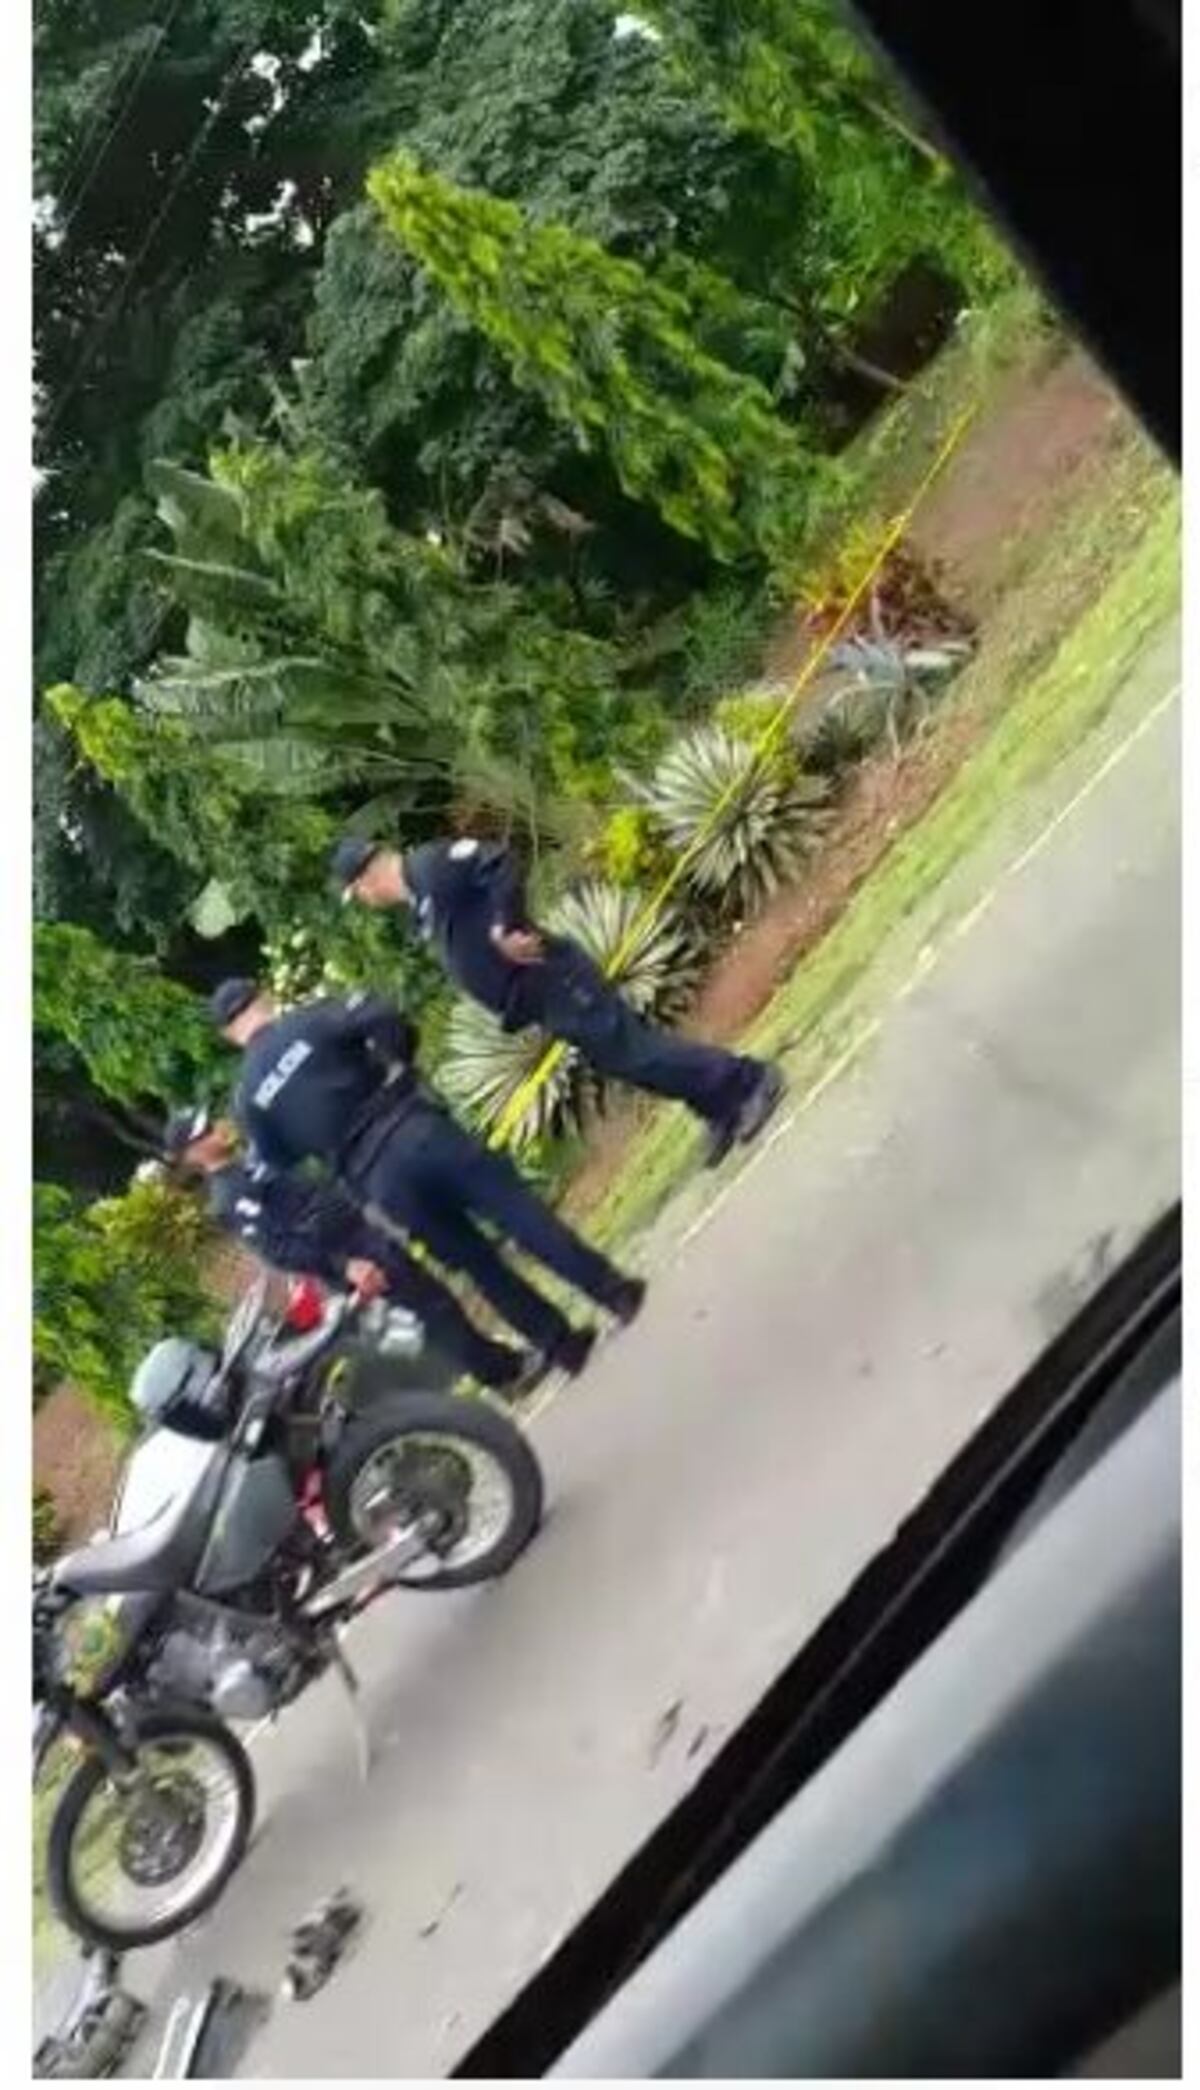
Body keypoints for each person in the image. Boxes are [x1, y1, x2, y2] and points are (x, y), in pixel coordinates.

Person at [209, 979, 645, 1376]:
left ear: (229, 1035)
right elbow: (381, 1013)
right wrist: (395, 1059)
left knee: (476, 1263)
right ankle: (615, 1294)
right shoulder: (306, 1021)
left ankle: (563, 1347)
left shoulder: (248, 1101)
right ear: (263, 998)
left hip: (377, 1178)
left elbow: (277, 1159)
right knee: (519, 1213)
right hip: (413, 1124)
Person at [331, 833, 785, 1166]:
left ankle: (749, 1081)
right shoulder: (421, 901)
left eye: (359, 891)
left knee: (636, 1052)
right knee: (626, 1063)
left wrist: (507, 926)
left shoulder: (431, 865)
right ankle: (718, 1106)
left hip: (551, 975)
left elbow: (500, 863)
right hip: (537, 997)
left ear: (368, 877)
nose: (366, 900)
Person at [163, 1105, 539, 1397]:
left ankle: (501, 1365)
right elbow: (278, 1248)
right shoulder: (229, 1197)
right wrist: (343, 1266)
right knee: (434, 1313)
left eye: (211, 1122)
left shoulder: (252, 1158)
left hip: (359, 1232)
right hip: (347, 1254)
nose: (217, 1128)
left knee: (435, 1301)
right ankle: (506, 1373)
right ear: (192, 1154)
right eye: (205, 1131)